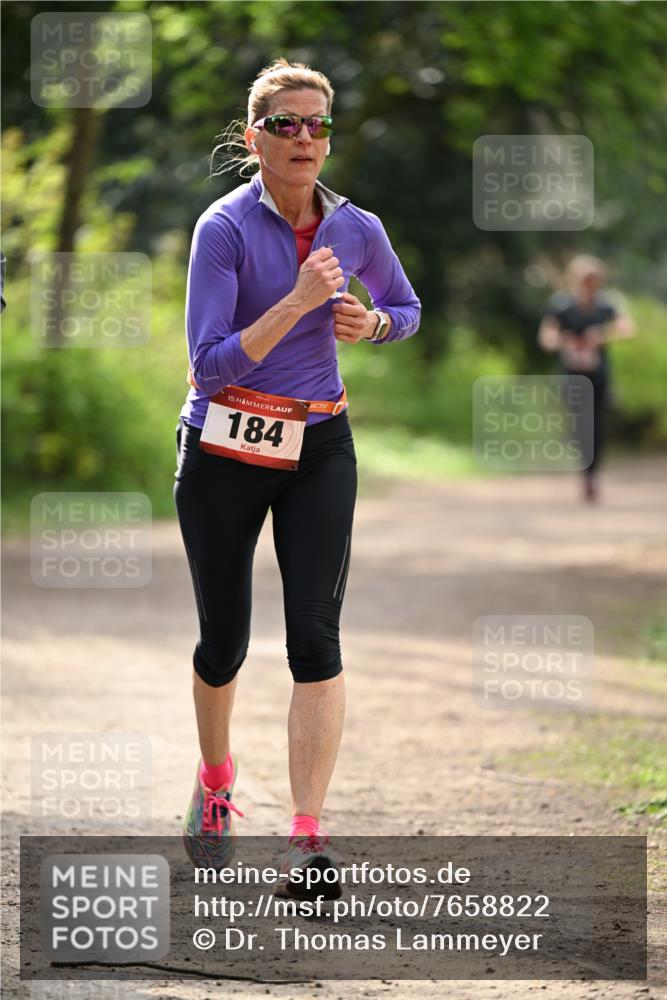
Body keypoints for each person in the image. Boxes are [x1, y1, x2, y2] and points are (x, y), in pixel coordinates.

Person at [173, 59, 421, 892]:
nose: (305, 137)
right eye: (286, 124)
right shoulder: (223, 229)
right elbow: (208, 365)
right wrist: (298, 302)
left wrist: (371, 323)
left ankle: (305, 839)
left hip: (318, 445)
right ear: (255, 138)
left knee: (315, 638)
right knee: (224, 643)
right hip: (223, 445)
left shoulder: (358, 227)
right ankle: (215, 780)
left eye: (318, 124)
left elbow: (406, 309)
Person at [537, 254, 635, 502]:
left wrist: (601, 335)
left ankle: (591, 475)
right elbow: (546, 338)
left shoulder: (607, 303)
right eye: (585, 279)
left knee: (596, 425)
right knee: (580, 424)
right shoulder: (562, 305)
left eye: (594, 279)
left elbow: (627, 328)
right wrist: (565, 341)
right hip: (572, 376)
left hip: (598, 375)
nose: (590, 284)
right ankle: (586, 468)